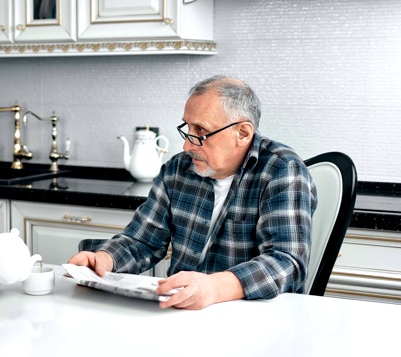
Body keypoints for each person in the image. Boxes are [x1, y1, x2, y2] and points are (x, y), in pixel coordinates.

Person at [69, 75, 317, 310]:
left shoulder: (282, 170)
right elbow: (143, 241)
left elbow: (286, 263)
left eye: (201, 131)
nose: (187, 144)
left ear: (242, 133)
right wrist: (104, 259)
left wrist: (212, 288)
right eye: (187, 128)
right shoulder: (178, 168)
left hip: (257, 317)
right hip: (181, 309)